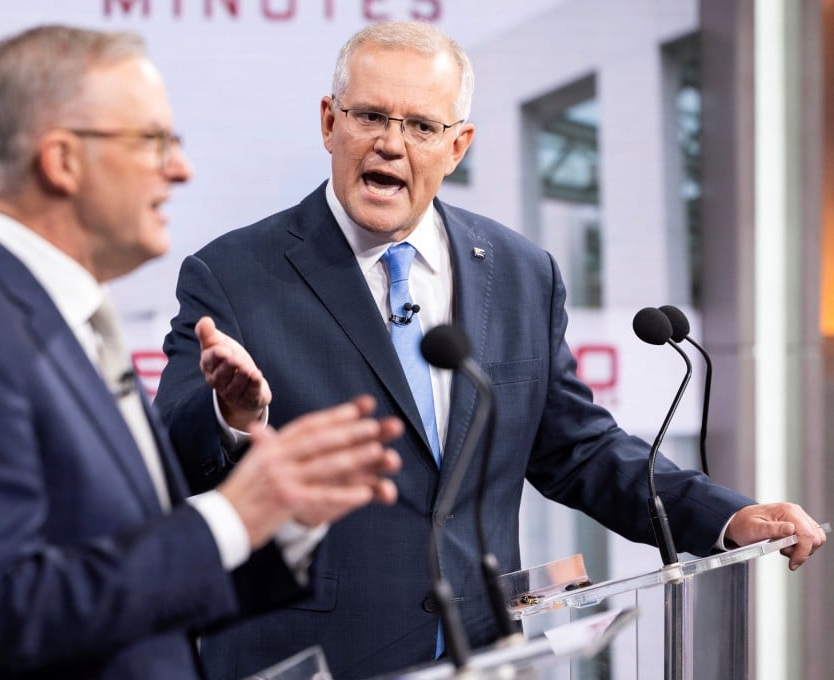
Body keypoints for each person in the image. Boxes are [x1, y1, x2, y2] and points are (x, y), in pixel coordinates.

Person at [154, 19, 828, 679]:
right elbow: (167, 461)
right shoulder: (236, 273)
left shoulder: (519, 271)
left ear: (458, 145)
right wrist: (231, 420)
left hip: (481, 651)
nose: (392, 144)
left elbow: (576, 448)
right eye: (370, 117)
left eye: (421, 126)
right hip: (310, 656)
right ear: (330, 122)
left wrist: (725, 516)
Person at [0, 24, 404, 680]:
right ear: (62, 160)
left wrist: (282, 520)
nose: (181, 168)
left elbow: (149, 592)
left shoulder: (66, 322)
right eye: (153, 141)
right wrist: (232, 515)